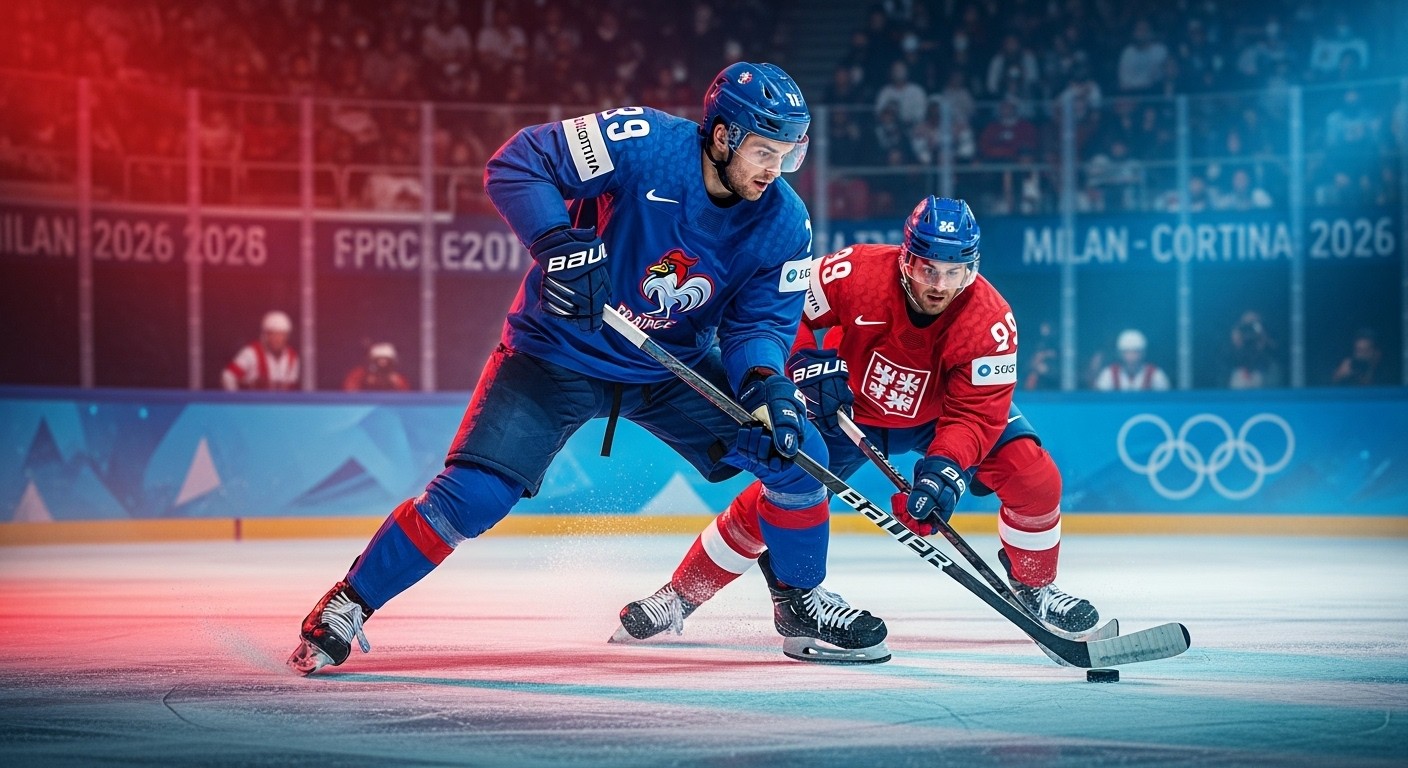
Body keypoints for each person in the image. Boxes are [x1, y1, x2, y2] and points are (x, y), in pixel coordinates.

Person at [288, 62, 890, 674]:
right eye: (764, 151)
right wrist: (556, 242)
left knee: (797, 455)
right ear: (721, 135)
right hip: (557, 353)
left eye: (788, 155)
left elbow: (758, 325)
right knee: (474, 496)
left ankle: (799, 603)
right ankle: (348, 602)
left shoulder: (784, 221)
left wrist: (764, 383)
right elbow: (519, 163)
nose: (775, 170)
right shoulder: (644, 142)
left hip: (666, 369)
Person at [613, 197, 1100, 647]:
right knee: (782, 494)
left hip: (941, 416)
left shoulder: (990, 322)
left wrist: (945, 470)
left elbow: (976, 413)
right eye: (928, 269)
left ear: (971, 268)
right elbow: (782, 308)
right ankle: (680, 595)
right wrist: (804, 363)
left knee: (1033, 475)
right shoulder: (856, 271)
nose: (939, 285)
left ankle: (1035, 586)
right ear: (906, 258)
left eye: (954, 272)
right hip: (849, 411)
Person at [221, 310, 300, 391]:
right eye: (272, 334)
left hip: (280, 399)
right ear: (265, 335)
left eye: (281, 334)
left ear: (287, 336)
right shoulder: (252, 352)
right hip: (254, 399)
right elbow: (228, 376)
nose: (277, 339)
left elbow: (291, 385)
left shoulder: (293, 356)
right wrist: (236, 397)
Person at [1093, 329, 1170, 391]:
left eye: (1135, 352)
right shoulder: (1109, 373)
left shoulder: (1155, 374)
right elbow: (1101, 399)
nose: (1131, 357)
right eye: (1127, 352)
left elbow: (1165, 400)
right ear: (1120, 354)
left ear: (1143, 354)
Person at [342, 342, 411, 392]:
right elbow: (349, 391)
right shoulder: (361, 373)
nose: (383, 362)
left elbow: (406, 395)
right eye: (379, 359)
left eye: (386, 359)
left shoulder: (396, 377)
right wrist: (364, 382)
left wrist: (397, 384)